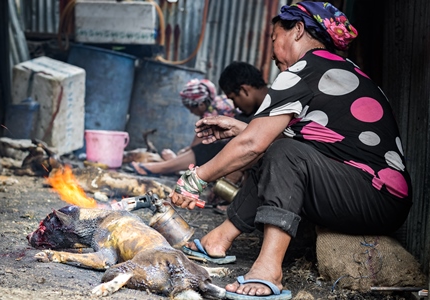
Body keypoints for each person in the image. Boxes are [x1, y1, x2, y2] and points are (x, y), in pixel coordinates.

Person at [170, 2, 412, 299]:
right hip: (372, 193)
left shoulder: (304, 70)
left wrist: (195, 179)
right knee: (279, 148)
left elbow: (257, 145)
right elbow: (313, 140)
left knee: (284, 152)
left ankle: (269, 269)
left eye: (273, 39)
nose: (272, 53)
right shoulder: (336, 70)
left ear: (297, 30)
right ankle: (217, 241)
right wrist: (240, 126)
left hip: (376, 195)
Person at [131, 64, 268, 180]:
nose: (235, 106)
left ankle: (162, 168)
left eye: (233, 98)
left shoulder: (275, 109)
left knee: (208, 149)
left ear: (244, 90)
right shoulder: (249, 113)